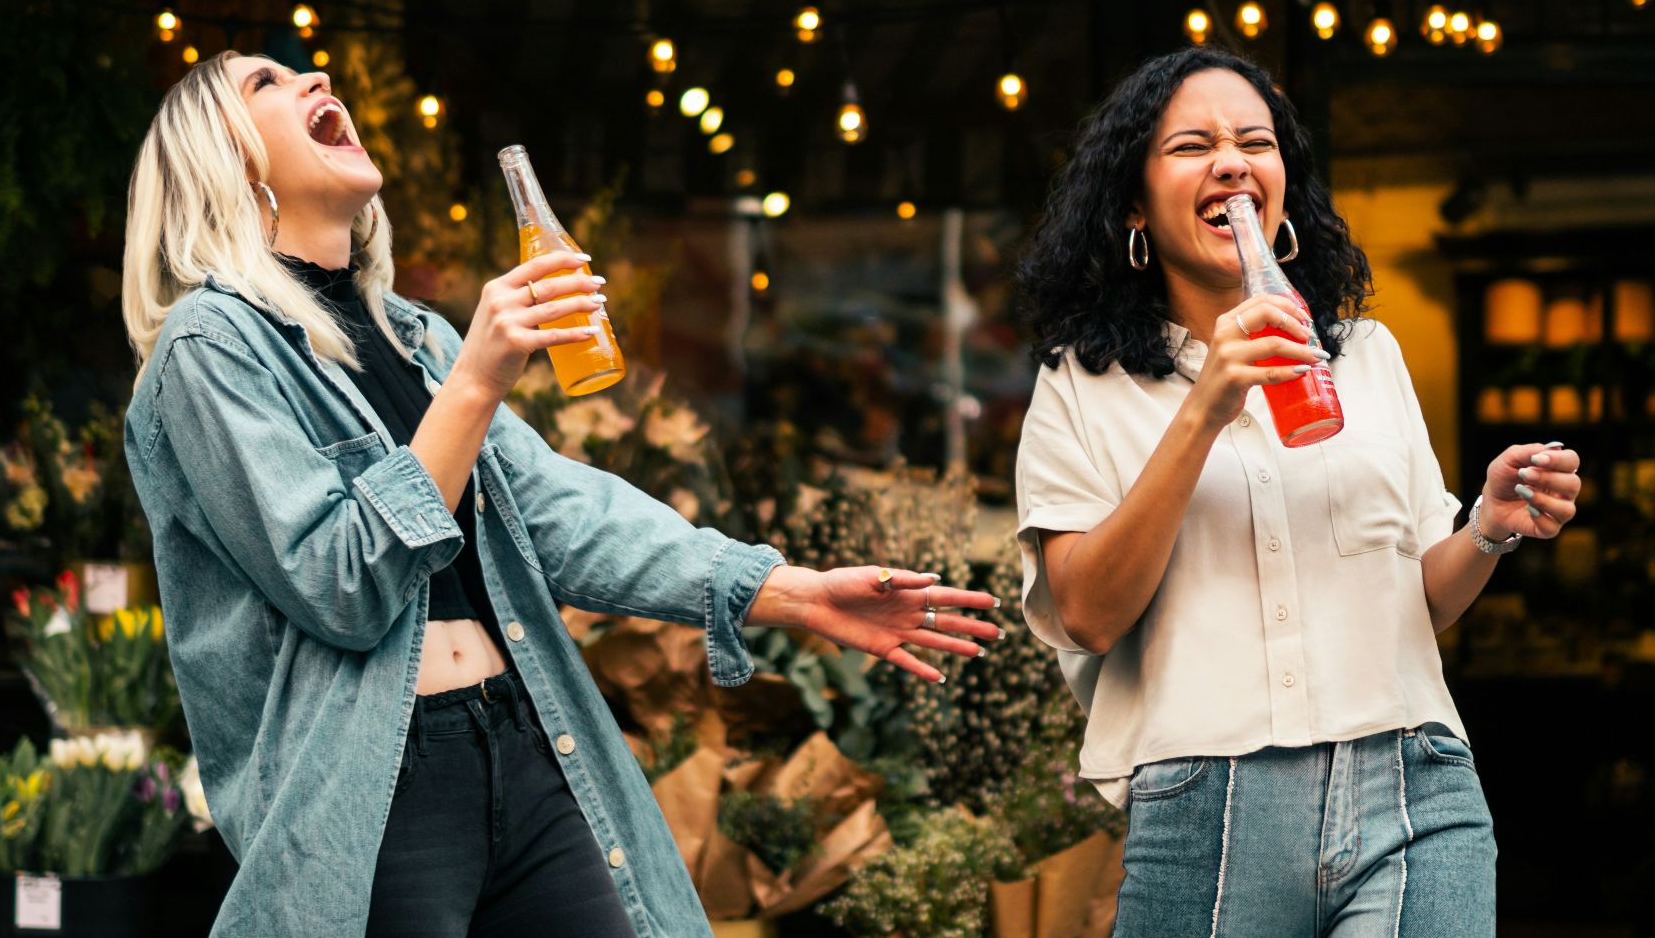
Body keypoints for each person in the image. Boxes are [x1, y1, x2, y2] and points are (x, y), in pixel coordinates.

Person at [119, 51, 1002, 938]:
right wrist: (477, 382)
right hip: (367, 783)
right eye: (265, 84)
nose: (313, 81)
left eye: (307, 72)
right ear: (223, 161)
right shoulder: (212, 346)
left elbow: (562, 518)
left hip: (525, 734)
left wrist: (790, 593)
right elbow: (336, 582)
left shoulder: (418, 336)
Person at [1013, 47, 1581, 937]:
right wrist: (1205, 408)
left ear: (1281, 187)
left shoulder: (1365, 355)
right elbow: (1088, 613)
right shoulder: (1081, 386)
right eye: (1192, 145)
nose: (1232, 163)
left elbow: (1418, 602)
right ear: (1131, 204)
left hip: (1415, 780)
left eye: (1255, 142)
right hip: (1210, 807)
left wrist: (1487, 530)